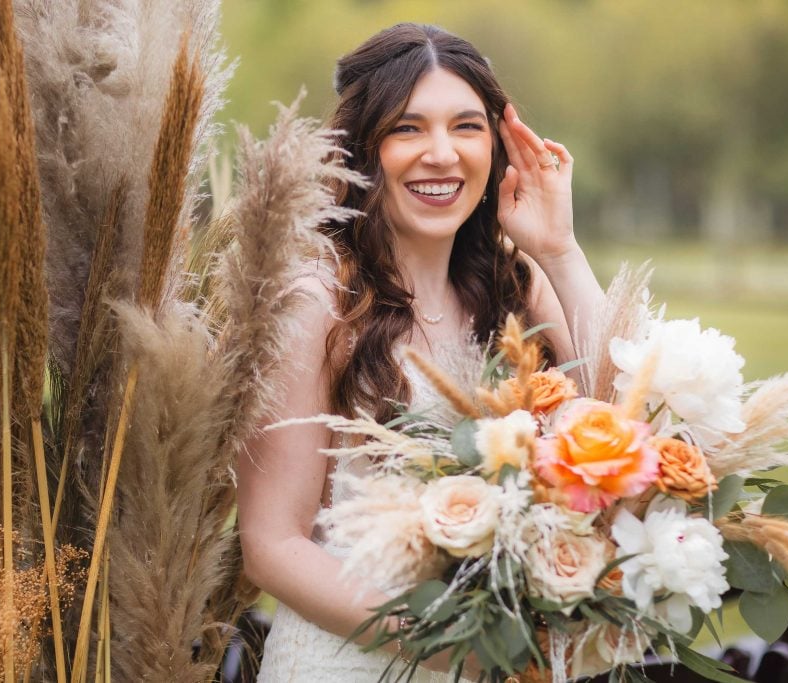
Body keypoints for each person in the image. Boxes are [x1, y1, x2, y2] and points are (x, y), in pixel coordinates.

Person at [237, 23, 603, 682]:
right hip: (353, 660)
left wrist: (559, 247)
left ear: (497, 145)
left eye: (467, 127)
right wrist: (445, 642)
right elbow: (271, 544)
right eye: (408, 129)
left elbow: (634, 417)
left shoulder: (519, 281)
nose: (442, 154)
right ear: (363, 148)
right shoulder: (318, 297)